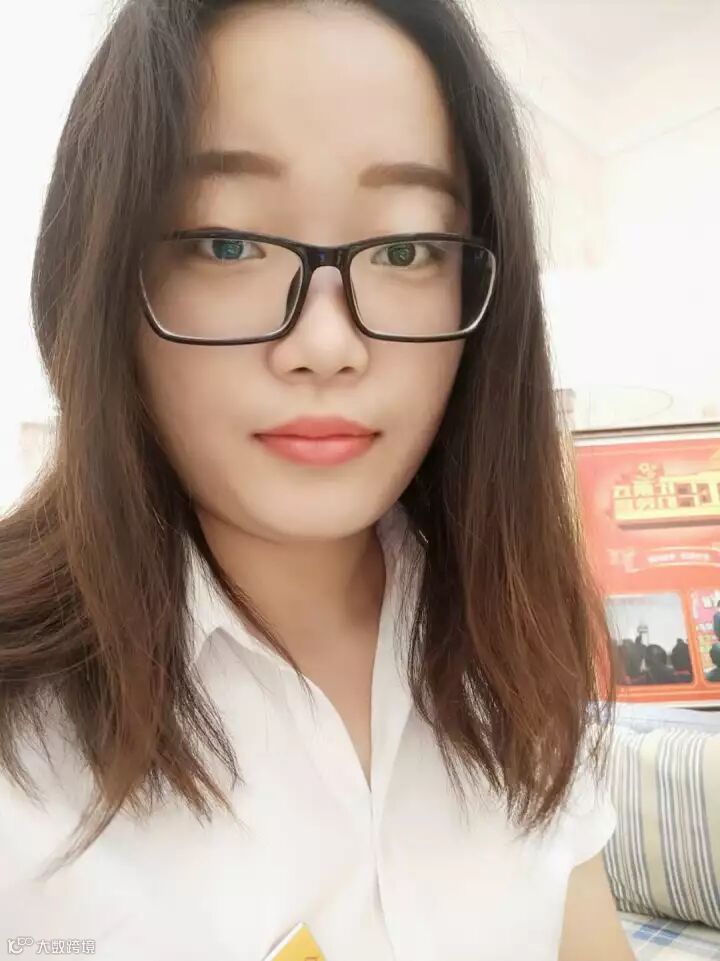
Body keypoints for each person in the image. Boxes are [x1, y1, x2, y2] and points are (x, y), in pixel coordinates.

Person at [0, 2, 632, 959]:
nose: (328, 343)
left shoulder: (512, 645)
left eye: (408, 248)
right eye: (227, 242)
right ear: (101, 273)